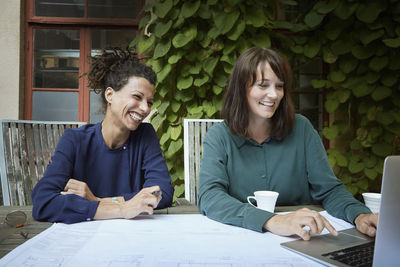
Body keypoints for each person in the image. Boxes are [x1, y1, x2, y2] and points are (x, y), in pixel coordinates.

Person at [198, 47, 378, 240]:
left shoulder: (302, 129)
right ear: (241, 88)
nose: (274, 95)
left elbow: (330, 190)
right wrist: (272, 221)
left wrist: (359, 215)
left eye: (279, 86)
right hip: (240, 239)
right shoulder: (219, 136)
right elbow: (210, 196)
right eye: (263, 85)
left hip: (302, 240)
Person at [32, 48, 174, 223]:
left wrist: (98, 201)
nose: (146, 108)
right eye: (137, 97)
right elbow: (43, 202)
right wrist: (122, 208)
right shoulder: (74, 140)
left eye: (149, 102)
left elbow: (162, 192)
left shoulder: (145, 135)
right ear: (110, 95)